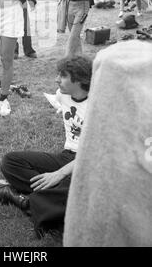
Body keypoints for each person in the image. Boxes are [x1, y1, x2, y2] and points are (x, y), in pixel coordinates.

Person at [0, 55, 93, 237]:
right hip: (66, 156)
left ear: (80, 80)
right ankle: (55, 198)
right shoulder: (63, 94)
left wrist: (59, 174)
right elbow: (75, 57)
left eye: (62, 76)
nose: (56, 80)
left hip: (88, 162)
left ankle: (24, 201)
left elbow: (94, 154)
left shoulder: (97, 106)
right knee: (10, 162)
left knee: (83, 187)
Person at [64, 41, 152, 247]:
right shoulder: (104, 118)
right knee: (14, 163)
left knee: (65, 189)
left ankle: (41, 201)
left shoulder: (110, 120)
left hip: (81, 167)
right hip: (72, 159)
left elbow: (95, 174)